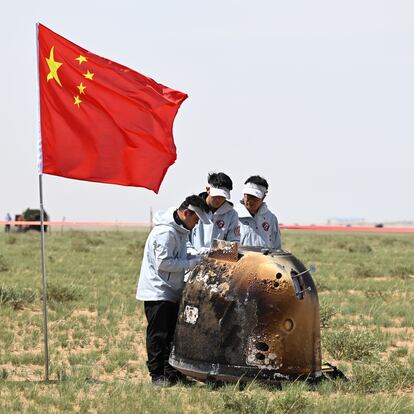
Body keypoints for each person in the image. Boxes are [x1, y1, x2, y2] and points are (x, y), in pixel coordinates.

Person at [136, 195, 210, 387]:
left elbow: (185, 252)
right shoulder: (165, 233)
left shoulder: (181, 230)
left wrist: (203, 254)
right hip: (158, 291)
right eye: (195, 220)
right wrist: (192, 263)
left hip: (171, 290)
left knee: (171, 335)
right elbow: (164, 263)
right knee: (158, 335)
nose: (196, 225)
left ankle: (172, 374)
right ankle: (157, 375)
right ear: (186, 213)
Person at [189, 172, 240, 255]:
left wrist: (213, 250)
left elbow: (234, 244)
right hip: (191, 261)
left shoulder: (232, 215)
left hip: (218, 263)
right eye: (216, 196)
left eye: (222, 196)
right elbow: (183, 238)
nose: (218, 200)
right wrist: (192, 253)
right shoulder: (193, 207)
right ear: (208, 189)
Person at [236, 175, 282, 250]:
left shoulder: (271, 218)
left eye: (255, 197)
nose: (250, 200)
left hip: (265, 260)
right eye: (248, 196)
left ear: (263, 197)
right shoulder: (233, 216)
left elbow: (277, 247)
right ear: (244, 195)